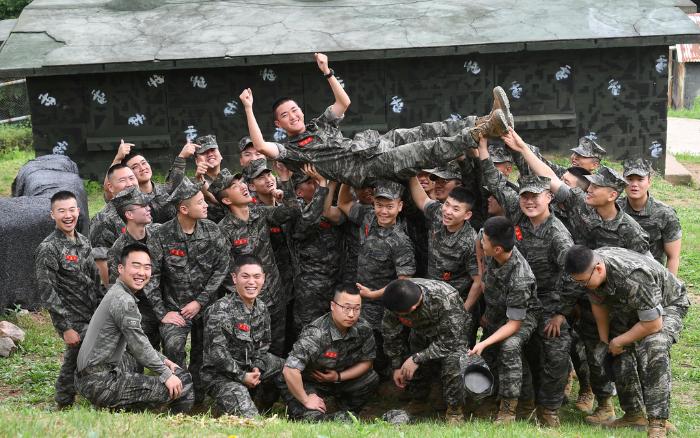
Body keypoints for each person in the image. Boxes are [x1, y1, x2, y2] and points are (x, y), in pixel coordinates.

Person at [505, 127, 649, 426]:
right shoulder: (581, 209)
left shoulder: (630, 231)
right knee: (591, 351)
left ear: (612, 194)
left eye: (595, 187)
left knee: (621, 352)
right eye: (588, 186)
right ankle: (603, 403)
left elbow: (645, 268)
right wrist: (521, 147)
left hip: (617, 297)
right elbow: (551, 179)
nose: (589, 190)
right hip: (581, 295)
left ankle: (636, 410)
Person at [239, 53, 512, 188]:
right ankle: (487, 130)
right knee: (425, 150)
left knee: (424, 130)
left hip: (371, 144)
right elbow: (262, 146)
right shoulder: (293, 150)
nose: (293, 115)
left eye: (295, 109)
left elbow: (343, 103)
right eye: (285, 115)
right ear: (279, 125)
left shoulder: (317, 125)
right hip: (367, 167)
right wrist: (249, 108)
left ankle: (484, 118)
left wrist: (327, 71)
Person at [479, 137, 574, 426]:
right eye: (525, 196)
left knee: (556, 351)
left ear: (549, 198)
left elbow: (573, 275)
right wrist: (483, 146)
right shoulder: (517, 211)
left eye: (536, 196)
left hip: (548, 303)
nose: (530, 201)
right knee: (507, 346)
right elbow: (494, 180)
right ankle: (517, 403)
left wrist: (560, 312)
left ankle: (549, 410)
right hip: (515, 299)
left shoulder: (558, 235)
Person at [564, 245, 690, 438]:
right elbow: (599, 304)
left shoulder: (633, 275)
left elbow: (653, 324)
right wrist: (608, 343)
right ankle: (633, 414)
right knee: (614, 348)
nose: (582, 286)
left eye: (583, 282)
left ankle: (657, 424)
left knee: (654, 346)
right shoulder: (593, 270)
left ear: (598, 269)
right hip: (633, 306)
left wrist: (620, 341)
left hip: (667, 305)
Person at [209, 167, 322, 355]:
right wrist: (247, 301)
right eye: (235, 186)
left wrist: (285, 181)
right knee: (252, 353)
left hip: (277, 297)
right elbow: (227, 275)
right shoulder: (223, 231)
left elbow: (293, 211)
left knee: (278, 348)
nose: (242, 187)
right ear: (227, 200)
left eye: (241, 183)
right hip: (250, 306)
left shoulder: (260, 214)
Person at [75, 244, 194, 413]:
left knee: (138, 362)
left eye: (147, 267)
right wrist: (166, 374)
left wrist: (165, 361)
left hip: (88, 375)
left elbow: (134, 346)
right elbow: (139, 346)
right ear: (121, 268)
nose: (141, 273)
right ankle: (175, 422)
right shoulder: (124, 301)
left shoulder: (117, 291)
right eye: (136, 266)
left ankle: (126, 404)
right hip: (99, 382)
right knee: (183, 381)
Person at [144, 177, 230, 404]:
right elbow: (151, 276)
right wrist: (163, 312)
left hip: (206, 306)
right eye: (200, 202)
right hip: (175, 309)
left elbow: (222, 266)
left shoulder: (212, 230)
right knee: (173, 348)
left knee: (204, 354)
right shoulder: (161, 235)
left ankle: (197, 399)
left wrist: (200, 301)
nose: (206, 205)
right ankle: (177, 398)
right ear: (184, 209)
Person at [337, 180, 416, 376]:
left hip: (383, 304)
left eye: (389, 206)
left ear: (400, 206)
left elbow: (403, 281)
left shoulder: (401, 241)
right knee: (360, 344)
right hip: (361, 299)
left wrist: (373, 295)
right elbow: (343, 204)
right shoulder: (368, 216)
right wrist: (346, 179)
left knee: (382, 348)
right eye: (380, 205)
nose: (384, 211)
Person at [35, 190, 104, 409]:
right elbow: (47, 291)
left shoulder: (84, 242)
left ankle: (78, 393)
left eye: (72, 209)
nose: (68, 215)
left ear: (79, 211)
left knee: (84, 355)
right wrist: (65, 327)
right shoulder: (48, 248)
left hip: (92, 313)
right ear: (52, 215)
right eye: (61, 211)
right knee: (76, 353)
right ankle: (63, 402)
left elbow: (96, 280)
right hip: (72, 318)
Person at [470, 216, 540, 424]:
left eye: (486, 243)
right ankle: (496, 399)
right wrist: (482, 273)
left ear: (498, 249)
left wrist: (484, 341)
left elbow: (514, 324)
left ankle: (509, 410)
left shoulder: (520, 277)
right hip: (498, 309)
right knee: (490, 354)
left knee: (509, 347)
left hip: (523, 316)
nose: (482, 242)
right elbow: (480, 237)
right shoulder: (491, 243)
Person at [279, 283, 379, 421]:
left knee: (370, 378)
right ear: (333, 306)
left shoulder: (363, 328)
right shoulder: (316, 334)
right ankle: (310, 409)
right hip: (312, 384)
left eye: (356, 309)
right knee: (312, 420)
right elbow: (289, 369)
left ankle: (344, 411)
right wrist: (305, 399)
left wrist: (338, 376)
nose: (351, 314)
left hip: (338, 381)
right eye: (346, 308)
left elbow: (367, 362)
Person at [201, 255, 284, 417]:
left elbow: (264, 344)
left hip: (249, 368)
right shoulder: (220, 310)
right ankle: (238, 406)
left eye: (256, 277)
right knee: (250, 419)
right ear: (234, 278)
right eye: (245, 276)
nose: (251, 282)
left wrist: (257, 367)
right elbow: (218, 355)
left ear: (264, 279)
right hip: (221, 376)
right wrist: (242, 376)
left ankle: (300, 411)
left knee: (288, 368)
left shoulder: (261, 308)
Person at [382, 278, 473, 423]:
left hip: (452, 337)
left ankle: (455, 411)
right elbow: (390, 334)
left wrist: (417, 358)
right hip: (421, 333)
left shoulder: (446, 297)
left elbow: (451, 340)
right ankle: (419, 401)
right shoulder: (395, 298)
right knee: (411, 354)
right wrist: (396, 366)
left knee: (455, 360)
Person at [107, 187, 161, 349]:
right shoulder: (118, 250)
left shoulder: (159, 234)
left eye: (148, 205)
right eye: (143, 206)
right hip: (139, 311)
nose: (148, 208)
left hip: (166, 305)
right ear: (129, 215)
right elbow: (119, 291)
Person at [618, 158, 682, 274]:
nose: (634, 184)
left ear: (649, 181)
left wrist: (669, 288)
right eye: (629, 179)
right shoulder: (615, 208)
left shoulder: (665, 214)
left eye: (640, 179)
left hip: (652, 276)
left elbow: (673, 257)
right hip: (620, 275)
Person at [90, 163, 138, 284]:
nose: (129, 184)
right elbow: (102, 264)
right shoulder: (103, 219)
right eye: (123, 180)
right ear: (110, 187)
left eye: (132, 178)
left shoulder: (144, 209)